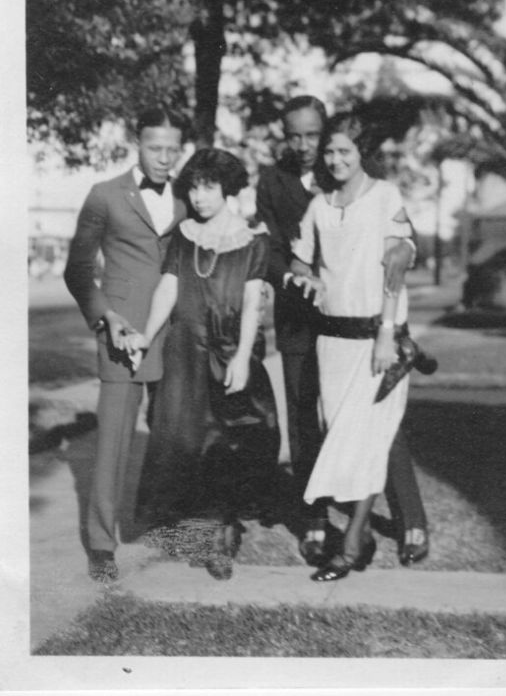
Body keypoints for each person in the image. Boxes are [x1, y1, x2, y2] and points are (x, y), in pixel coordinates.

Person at [257, 97, 429, 568]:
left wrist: (388, 329)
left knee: (375, 427)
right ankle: (323, 523)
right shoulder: (288, 189)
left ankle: (385, 526)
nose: (315, 150)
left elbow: (399, 252)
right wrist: (299, 276)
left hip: (374, 330)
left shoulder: (378, 189)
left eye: (323, 140)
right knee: (322, 426)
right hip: (314, 329)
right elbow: (281, 250)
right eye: (298, 137)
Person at [124, 149, 279, 580]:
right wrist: (146, 335)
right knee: (189, 442)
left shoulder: (253, 240)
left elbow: (252, 304)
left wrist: (245, 357)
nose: (199, 196)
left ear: (227, 188)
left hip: (230, 348)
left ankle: (223, 527)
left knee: (231, 439)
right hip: (184, 351)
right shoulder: (182, 236)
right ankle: (209, 532)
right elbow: (167, 291)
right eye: (192, 187)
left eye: (208, 186)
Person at [64, 106, 186, 582]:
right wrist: (106, 318)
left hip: (176, 331)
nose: (164, 158)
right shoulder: (105, 195)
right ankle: (100, 544)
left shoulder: (185, 199)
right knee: (113, 439)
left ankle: (167, 526)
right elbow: (77, 270)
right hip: (124, 334)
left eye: (172, 150)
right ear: (137, 143)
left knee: (177, 433)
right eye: (155, 148)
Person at [255, 95, 330, 564]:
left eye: (313, 135)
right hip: (296, 314)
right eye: (294, 135)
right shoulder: (271, 181)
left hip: (347, 317)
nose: (304, 145)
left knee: (346, 412)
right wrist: (289, 277)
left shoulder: (342, 168)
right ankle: (315, 519)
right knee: (302, 419)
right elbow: (270, 247)